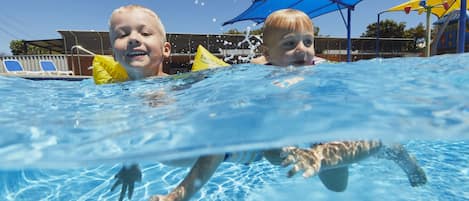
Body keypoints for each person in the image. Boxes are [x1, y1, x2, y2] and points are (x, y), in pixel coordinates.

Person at [149, 8, 426, 201]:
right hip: (288, 136)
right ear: (268, 53)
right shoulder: (259, 71)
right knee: (322, 181)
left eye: (308, 41)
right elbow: (213, 150)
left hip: (328, 131)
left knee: (359, 156)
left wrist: (320, 154)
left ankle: (393, 151)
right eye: (290, 43)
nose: (302, 49)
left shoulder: (321, 69)